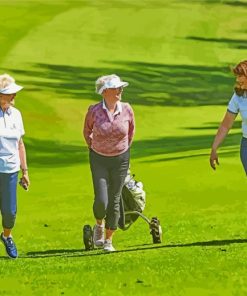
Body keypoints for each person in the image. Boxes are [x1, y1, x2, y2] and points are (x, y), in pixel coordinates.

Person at [83, 74, 135, 252]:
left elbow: (131, 132)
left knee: (114, 199)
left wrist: (121, 150)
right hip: (99, 159)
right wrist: (96, 147)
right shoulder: (94, 110)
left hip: (120, 159)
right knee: (101, 200)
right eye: (117, 88)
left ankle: (109, 240)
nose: (120, 90)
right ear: (105, 92)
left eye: (121, 88)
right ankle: (99, 225)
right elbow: (87, 131)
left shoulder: (127, 109)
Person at [0, 74, 30, 259]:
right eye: (10, 94)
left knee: (10, 212)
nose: (14, 97)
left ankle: (6, 236)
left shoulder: (16, 114)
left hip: (11, 169)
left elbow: (20, 143)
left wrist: (25, 171)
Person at [210, 60, 247, 173]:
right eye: (237, 76)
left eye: (241, 75)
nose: (237, 79)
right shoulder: (238, 97)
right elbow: (225, 125)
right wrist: (214, 148)